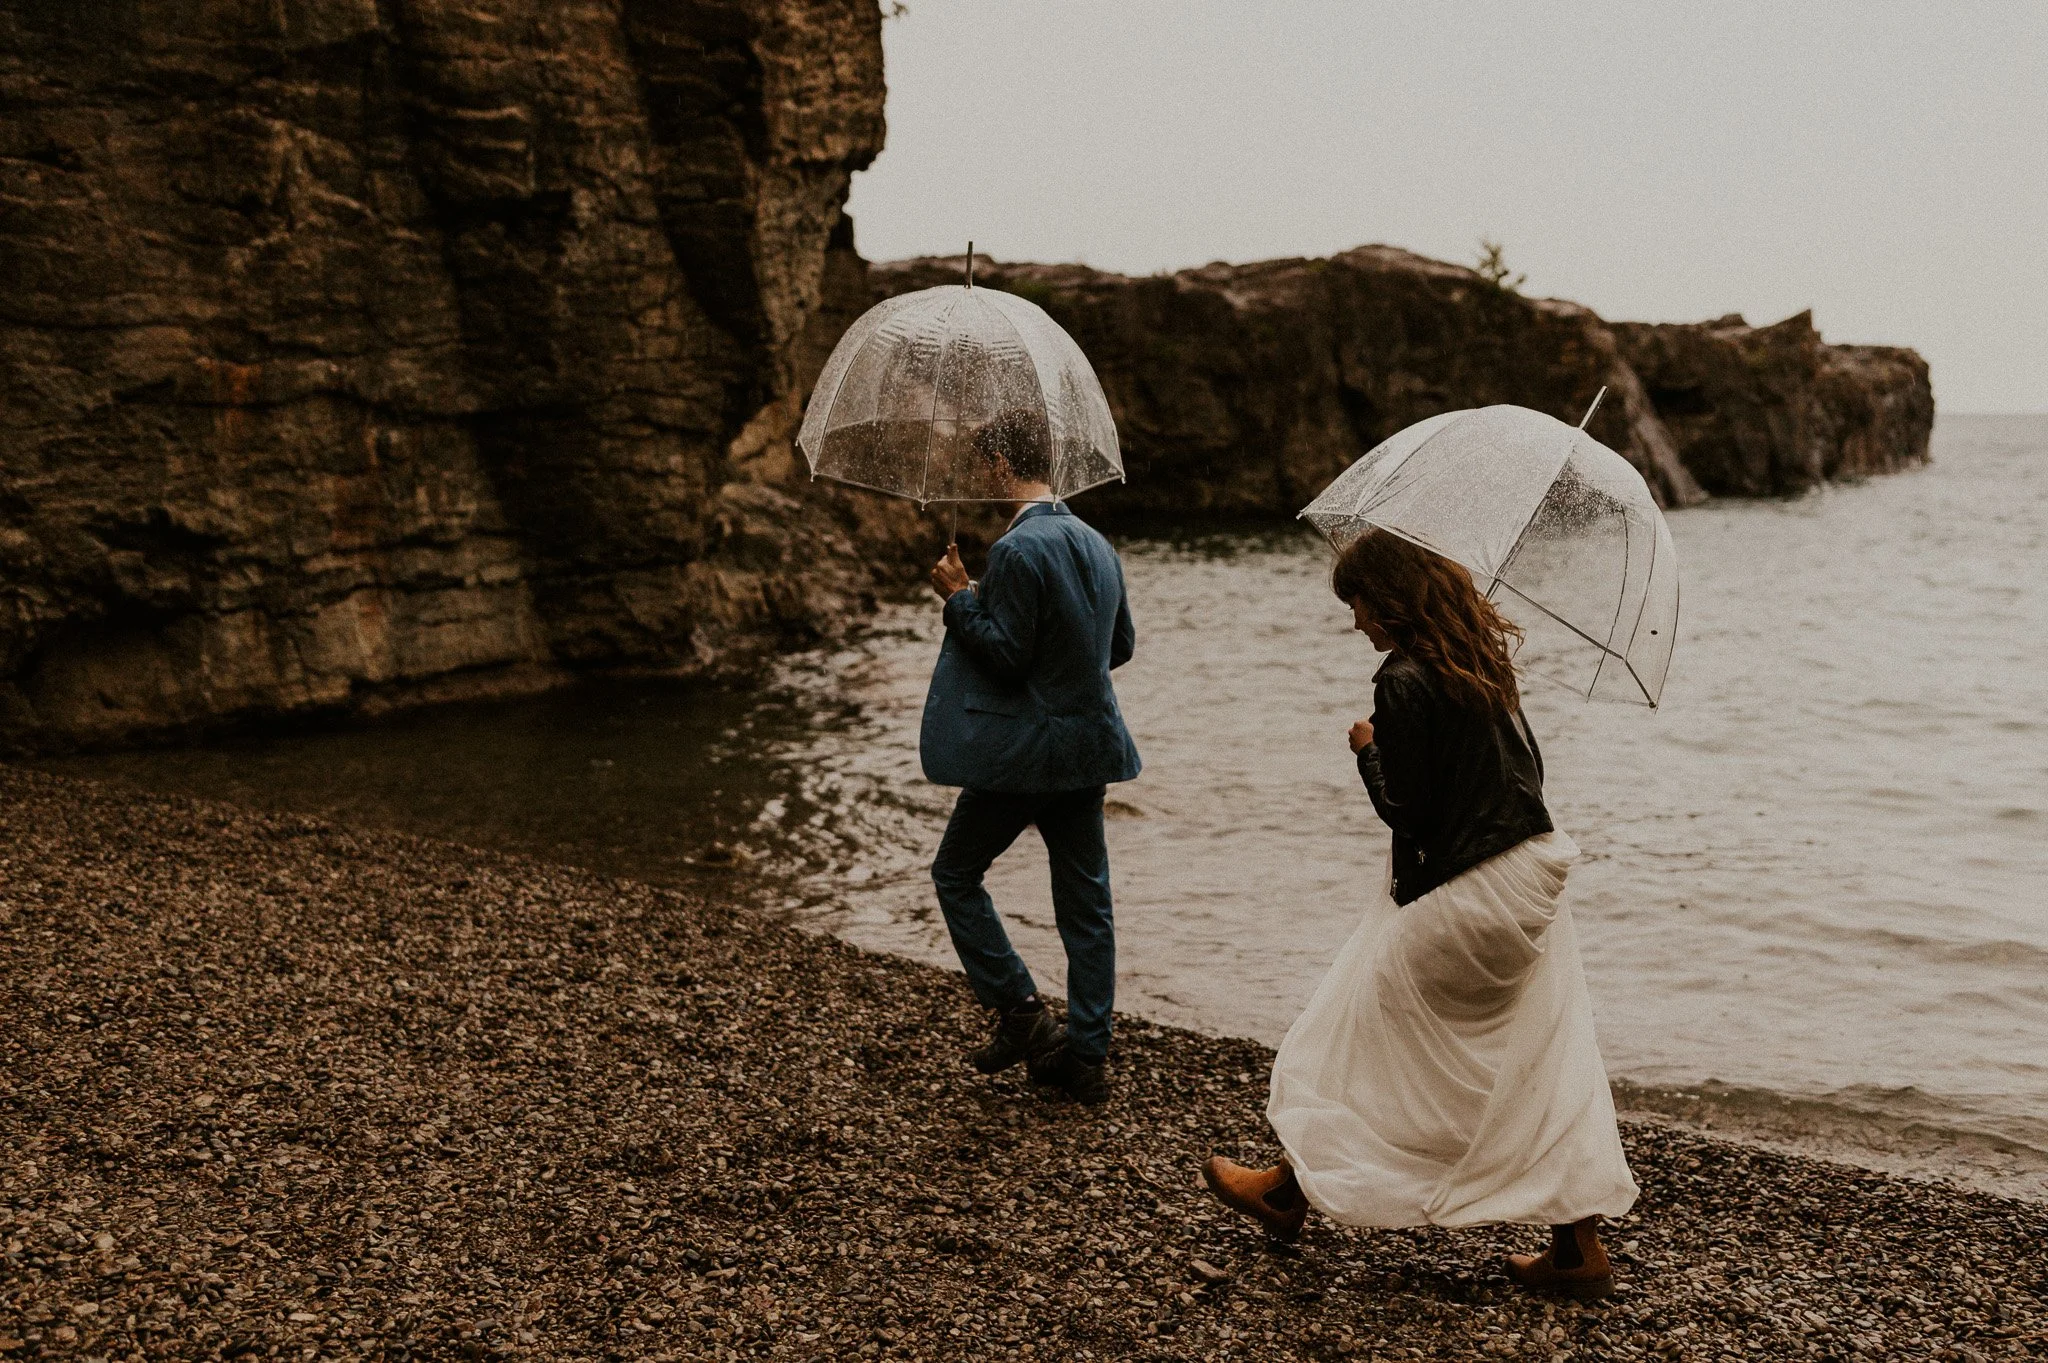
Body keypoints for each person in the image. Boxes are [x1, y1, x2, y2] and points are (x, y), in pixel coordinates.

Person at [1200, 528, 1637, 1298]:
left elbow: (1411, 811)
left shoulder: (1401, 680)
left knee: (1353, 1027)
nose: (1356, 620)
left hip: (1469, 883)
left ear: (1391, 597)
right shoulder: (1483, 662)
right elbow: (1527, 772)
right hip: (1532, 870)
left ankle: (1286, 1191)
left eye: (1359, 602)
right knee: (1546, 1052)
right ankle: (1577, 1246)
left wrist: (1369, 749)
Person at [921, 408, 1141, 1106]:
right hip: (1091, 746)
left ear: (998, 464)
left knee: (955, 871)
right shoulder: (1097, 543)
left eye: (982, 464)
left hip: (1026, 756)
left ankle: (1019, 1011)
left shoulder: (1016, 551)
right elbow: (1121, 646)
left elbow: (1009, 655)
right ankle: (1086, 1054)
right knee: (1087, 903)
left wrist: (960, 599)